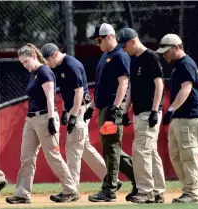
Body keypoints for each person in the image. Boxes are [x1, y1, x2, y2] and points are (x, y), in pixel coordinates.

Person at [40, 43, 123, 195]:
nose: (47, 64)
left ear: (54, 54)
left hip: (79, 108)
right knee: (83, 147)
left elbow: (79, 93)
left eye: (47, 60)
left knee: (72, 148)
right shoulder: (60, 66)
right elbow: (67, 92)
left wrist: (73, 115)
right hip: (74, 108)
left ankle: (71, 189)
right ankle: (111, 179)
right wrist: (66, 110)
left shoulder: (71, 65)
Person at [6, 43, 79, 204]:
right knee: (26, 157)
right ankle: (22, 194)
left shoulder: (45, 72)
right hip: (31, 119)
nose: (24, 66)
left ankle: (70, 190)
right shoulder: (33, 73)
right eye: (22, 63)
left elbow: (50, 98)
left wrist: (52, 119)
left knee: (53, 155)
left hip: (45, 117)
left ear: (33, 55)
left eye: (26, 61)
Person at [85, 23, 136, 202]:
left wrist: (116, 108)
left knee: (112, 149)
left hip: (113, 107)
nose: (97, 44)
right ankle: (140, 180)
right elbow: (101, 86)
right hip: (104, 107)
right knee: (112, 149)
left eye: (99, 40)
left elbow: (124, 83)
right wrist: (91, 107)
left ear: (108, 37)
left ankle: (109, 190)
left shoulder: (120, 56)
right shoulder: (105, 56)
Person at [117, 28, 166, 204]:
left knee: (140, 150)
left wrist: (155, 110)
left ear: (133, 41)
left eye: (124, 45)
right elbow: (131, 88)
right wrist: (125, 111)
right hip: (139, 113)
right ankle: (158, 191)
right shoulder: (133, 60)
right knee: (150, 152)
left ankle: (146, 191)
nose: (123, 49)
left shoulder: (151, 56)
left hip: (149, 113)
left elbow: (159, 84)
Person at [156, 34, 198, 203]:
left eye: (167, 51)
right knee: (175, 154)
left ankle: (191, 193)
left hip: (189, 116)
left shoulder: (186, 64)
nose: (164, 55)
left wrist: (171, 109)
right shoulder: (178, 65)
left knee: (189, 154)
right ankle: (195, 187)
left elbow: (187, 89)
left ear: (177, 47)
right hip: (180, 116)